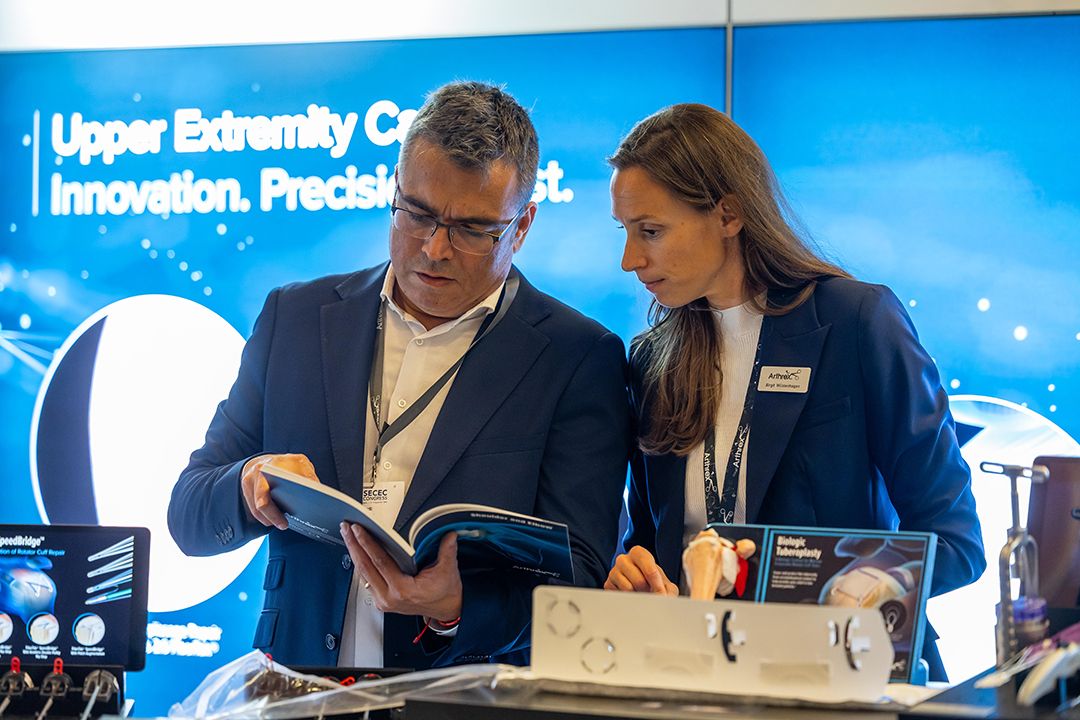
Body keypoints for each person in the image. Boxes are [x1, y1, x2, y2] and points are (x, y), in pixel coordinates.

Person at [168, 81, 631, 670]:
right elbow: (189, 513)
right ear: (394, 191)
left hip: (462, 699)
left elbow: (583, 579)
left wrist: (457, 608)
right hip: (294, 689)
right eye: (417, 214)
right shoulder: (297, 318)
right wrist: (246, 483)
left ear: (522, 226)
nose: (435, 248)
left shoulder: (577, 357)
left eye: (471, 230)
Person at [603, 103, 985, 680]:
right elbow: (651, 542)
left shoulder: (857, 321)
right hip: (691, 677)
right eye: (626, 232)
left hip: (846, 677)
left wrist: (830, 584)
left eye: (650, 231)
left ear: (729, 214)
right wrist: (634, 574)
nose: (630, 260)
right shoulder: (652, 358)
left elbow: (954, 541)